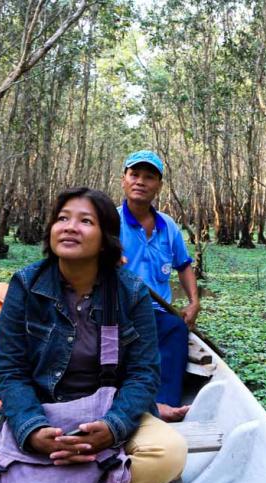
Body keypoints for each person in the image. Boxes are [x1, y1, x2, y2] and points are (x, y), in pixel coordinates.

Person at [0, 187, 187, 483]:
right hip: (42, 412)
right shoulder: (26, 286)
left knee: (170, 452)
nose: (70, 227)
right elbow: (10, 371)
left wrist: (113, 427)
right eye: (62, 218)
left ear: (106, 239)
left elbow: (144, 373)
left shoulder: (132, 292)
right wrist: (33, 430)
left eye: (86, 221)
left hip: (110, 409)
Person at [118, 150, 199, 422]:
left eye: (149, 177)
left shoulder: (169, 226)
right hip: (117, 310)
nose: (140, 181)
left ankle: (164, 403)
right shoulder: (107, 221)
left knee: (175, 328)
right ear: (124, 180)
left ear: (159, 185)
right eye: (135, 175)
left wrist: (193, 302)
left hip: (156, 313)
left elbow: (184, 265)